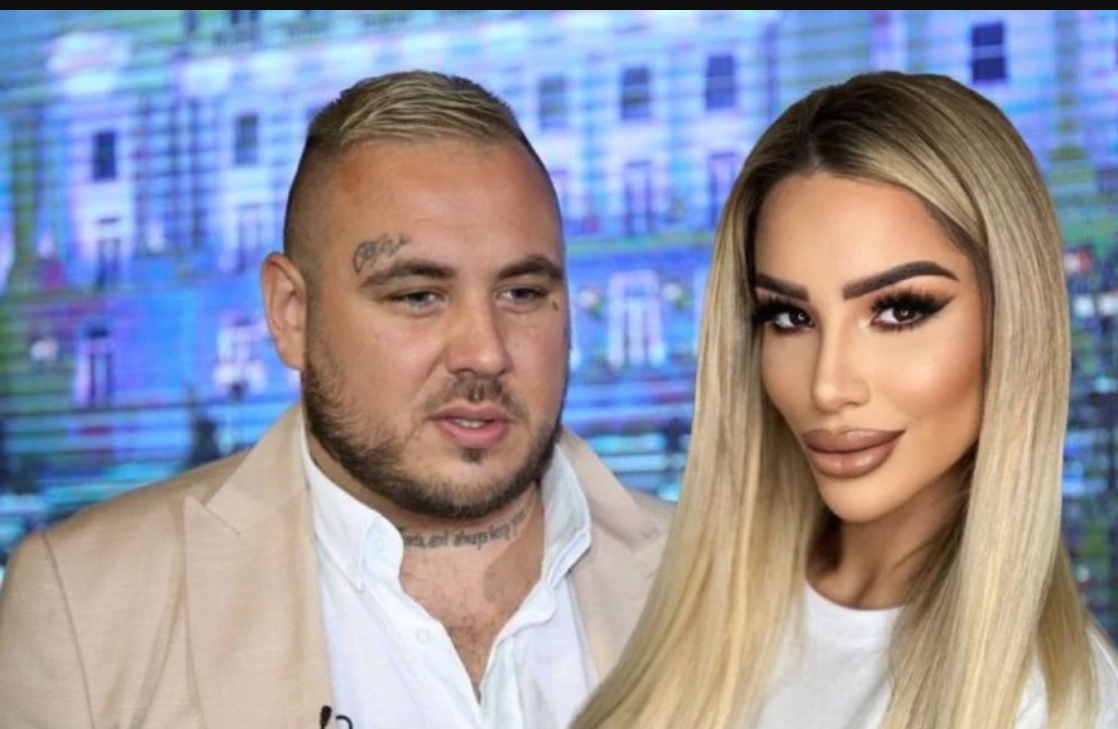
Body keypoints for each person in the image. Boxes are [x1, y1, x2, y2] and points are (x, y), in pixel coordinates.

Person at [0, 69, 673, 729]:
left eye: (522, 293)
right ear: (291, 313)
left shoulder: (708, 571)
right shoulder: (86, 605)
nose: (486, 351)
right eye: (418, 296)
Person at [570, 70, 1118, 729]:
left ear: (1013, 318)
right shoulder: (677, 606)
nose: (827, 385)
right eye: (789, 317)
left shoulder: (1053, 703)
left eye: (898, 310)